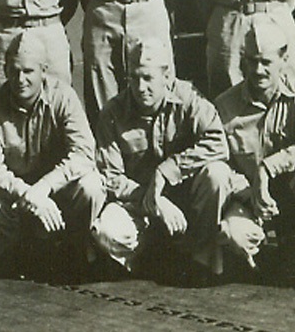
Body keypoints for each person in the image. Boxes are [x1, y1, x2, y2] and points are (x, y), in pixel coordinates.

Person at [214, 17, 295, 293]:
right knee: (236, 236)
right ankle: (265, 253)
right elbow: (217, 160)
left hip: (294, 196)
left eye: (266, 62)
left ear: (283, 59)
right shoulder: (225, 106)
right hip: (251, 200)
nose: (258, 70)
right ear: (242, 62)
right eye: (252, 61)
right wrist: (249, 191)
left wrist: (268, 168)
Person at [92, 40, 231, 282]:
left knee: (217, 174)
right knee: (105, 232)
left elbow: (218, 144)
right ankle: (146, 253)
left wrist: (168, 170)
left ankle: (200, 256)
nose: (140, 87)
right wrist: (155, 200)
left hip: (186, 201)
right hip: (139, 203)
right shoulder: (113, 113)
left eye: (148, 78)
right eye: (134, 78)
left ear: (166, 76)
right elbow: (111, 177)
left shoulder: (189, 99)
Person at [0, 33, 105, 281]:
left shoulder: (64, 97)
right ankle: (19, 254)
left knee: (92, 187)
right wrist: (28, 193)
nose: (20, 79)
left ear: (43, 71)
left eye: (28, 71)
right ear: (4, 69)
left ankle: (74, 248)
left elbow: (84, 153)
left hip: (56, 190)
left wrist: (44, 187)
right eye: (13, 71)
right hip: (16, 195)